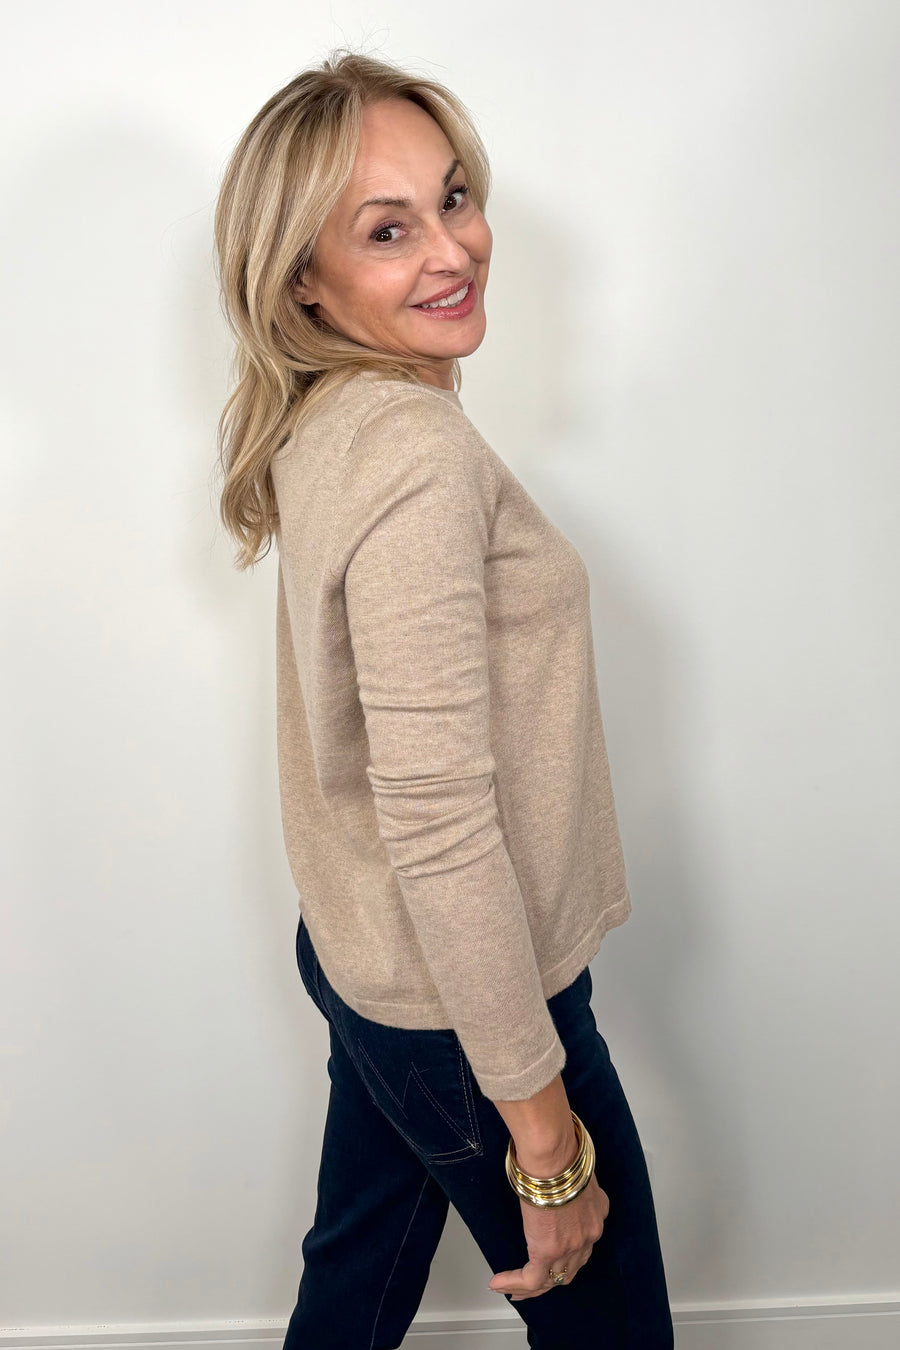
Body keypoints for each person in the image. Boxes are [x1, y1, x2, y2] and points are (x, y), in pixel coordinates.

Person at [213, 50, 673, 1349]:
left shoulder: (331, 414)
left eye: (454, 196)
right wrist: (540, 1125)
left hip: (372, 958)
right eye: (386, 227)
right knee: (612, 1328)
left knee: (353, 1285)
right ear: (303, 277)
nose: (454, 247)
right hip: (475, 997)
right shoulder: (410, 453)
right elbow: (436, 813)